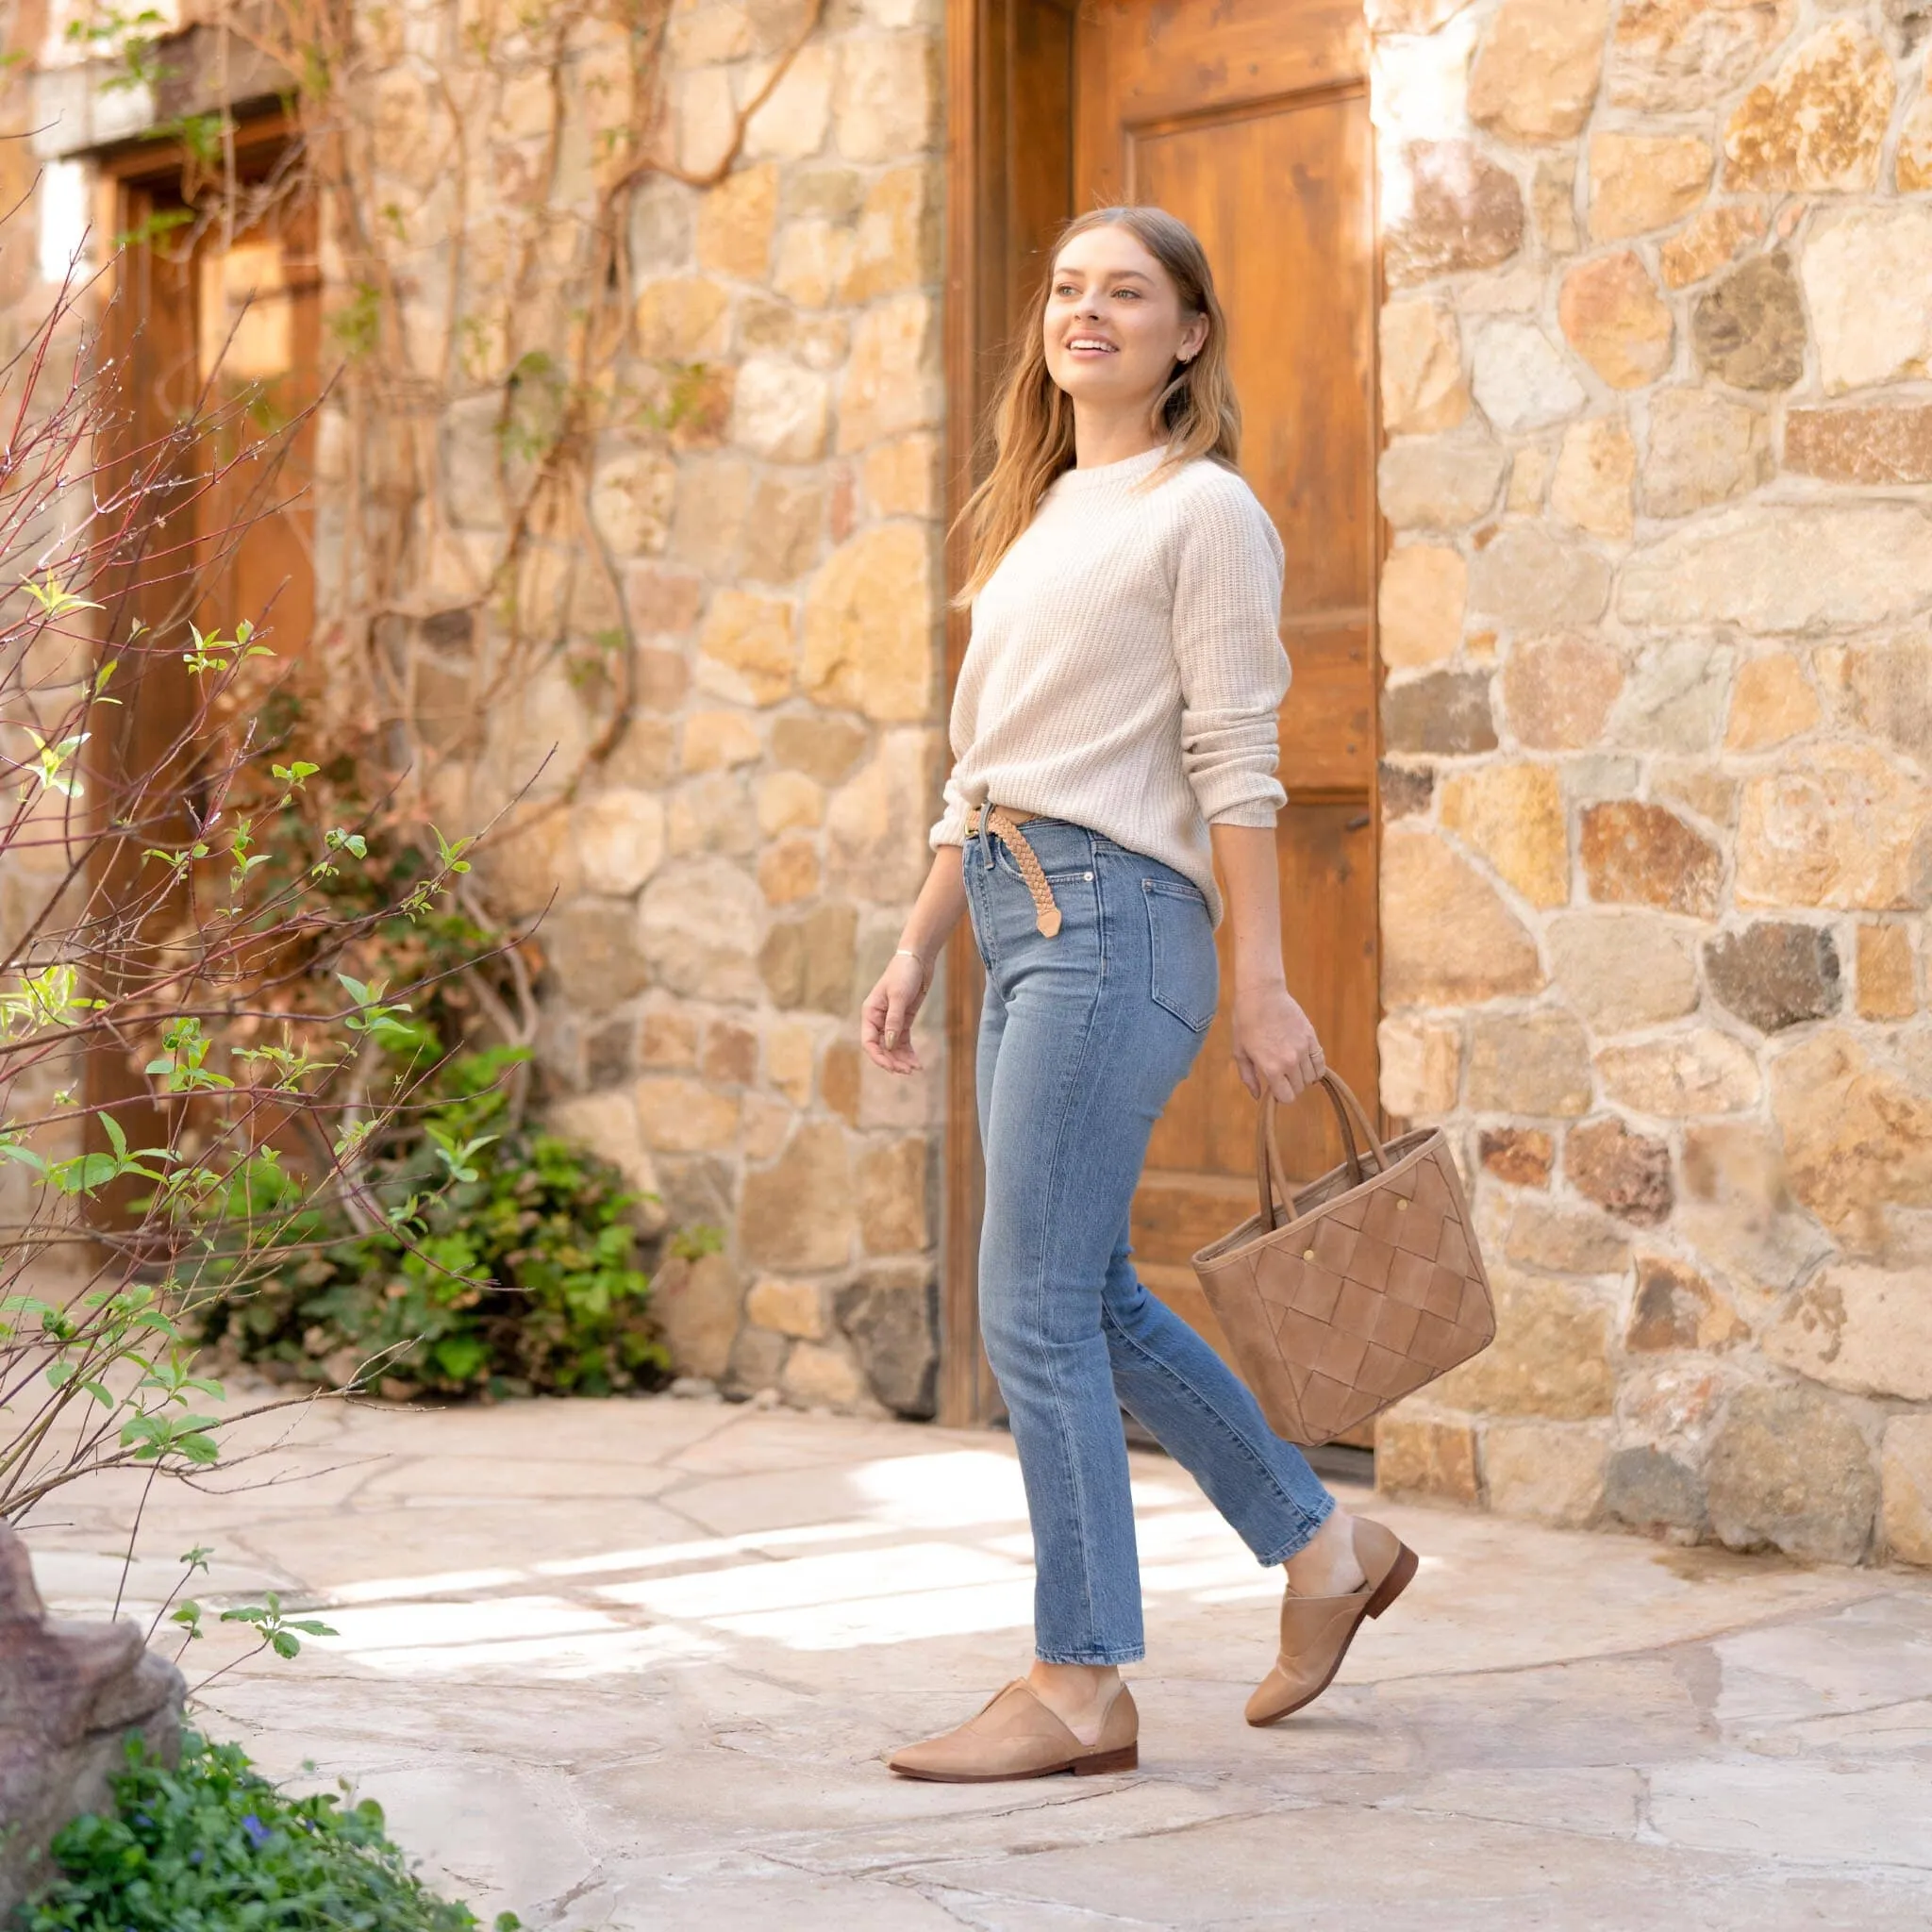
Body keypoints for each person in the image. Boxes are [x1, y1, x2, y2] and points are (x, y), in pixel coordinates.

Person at [858, 206, 1417, 1784]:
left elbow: (1242, 761)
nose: (1085, 312)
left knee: (1026, 1306)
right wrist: (916, 943)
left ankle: (1083, 1682)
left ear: (1187, 337)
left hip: (1119, 923)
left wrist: (1267, 985)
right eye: (1064, 288)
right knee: (1084, 1294)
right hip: (1015, 910)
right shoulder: (1036, 519)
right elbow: (986, 773)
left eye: (1128, 292)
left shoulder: (1206, 512)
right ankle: (1324, 1553)